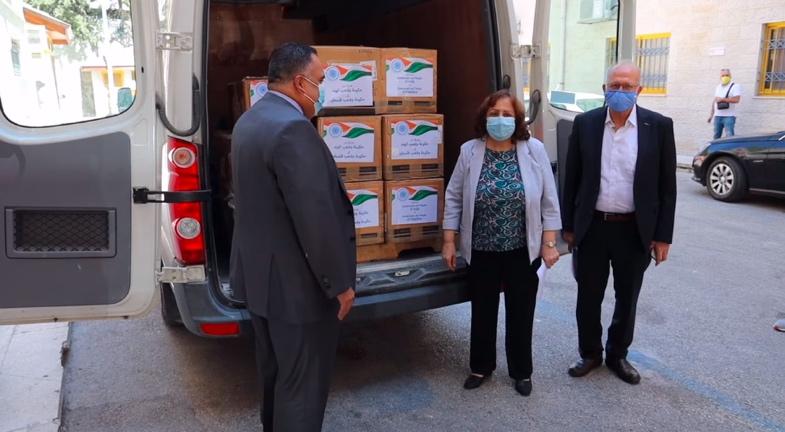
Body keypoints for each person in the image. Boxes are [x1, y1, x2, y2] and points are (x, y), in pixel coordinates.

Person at [230, 42, 357, 431]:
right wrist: (339, 284)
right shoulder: (293, 130)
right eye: (320, 80)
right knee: (302, 387)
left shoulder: (249, 120)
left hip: (261, 283)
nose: (323, 89)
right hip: (297, 289)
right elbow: (314, 219)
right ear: (300, 82)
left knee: (276, 375)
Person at [561, 62, 677, 385]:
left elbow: (668, 187)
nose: (621, 91)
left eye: (628, 86)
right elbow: (572, 180)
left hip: (634, 229)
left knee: (627, 297)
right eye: (615, 85)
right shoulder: (585, 124)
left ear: (639, 90)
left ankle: (617, 354)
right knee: (588, 296)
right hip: (593, 227)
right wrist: (568, 225)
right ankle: (590, 352)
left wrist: (662, 237)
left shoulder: (659, 126)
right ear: (605, 89)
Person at [442, 89, 562, 396]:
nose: (500, 119)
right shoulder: (470, 151)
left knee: (521, 312)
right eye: (494, 113)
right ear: (485, 117)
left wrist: (549, 244)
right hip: (482, 248)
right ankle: (481, 367)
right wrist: (449, 240)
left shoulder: (533, 150)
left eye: (507, 114)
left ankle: (521, 371)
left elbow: (549, 200)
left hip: (523, 250)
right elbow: (454, 196)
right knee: (482, 310)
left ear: (517, 119)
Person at [707, 68, 742, 139]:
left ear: (730, 76)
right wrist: (711, 116)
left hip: (729, 116)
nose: (725, 77)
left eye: (727, 75)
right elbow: (715, 101)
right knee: (716, 137)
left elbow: (737, 100)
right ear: (720, 77)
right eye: (723, 75)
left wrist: (723, 99)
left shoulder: (735, 86)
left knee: (729, 137)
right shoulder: (718, 87)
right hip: (718, 115)